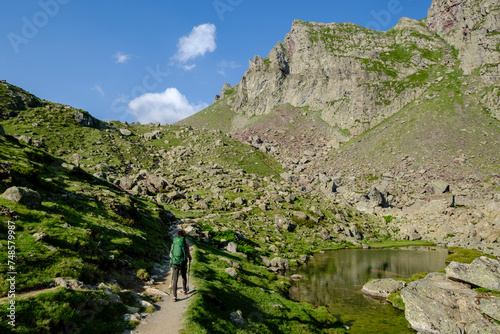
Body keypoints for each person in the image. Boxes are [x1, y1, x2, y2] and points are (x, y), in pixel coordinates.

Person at [170, 230, 192, 302]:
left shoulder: (174, 244)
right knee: (183, 276)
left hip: (175, 262)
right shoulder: (186, 245)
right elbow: (188, 255)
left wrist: (174, 259)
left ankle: (174, 296)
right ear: (184, 236)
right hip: (183, 262)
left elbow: (170, 255)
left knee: (175, 279)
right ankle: (184, 290)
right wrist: (190, 258)